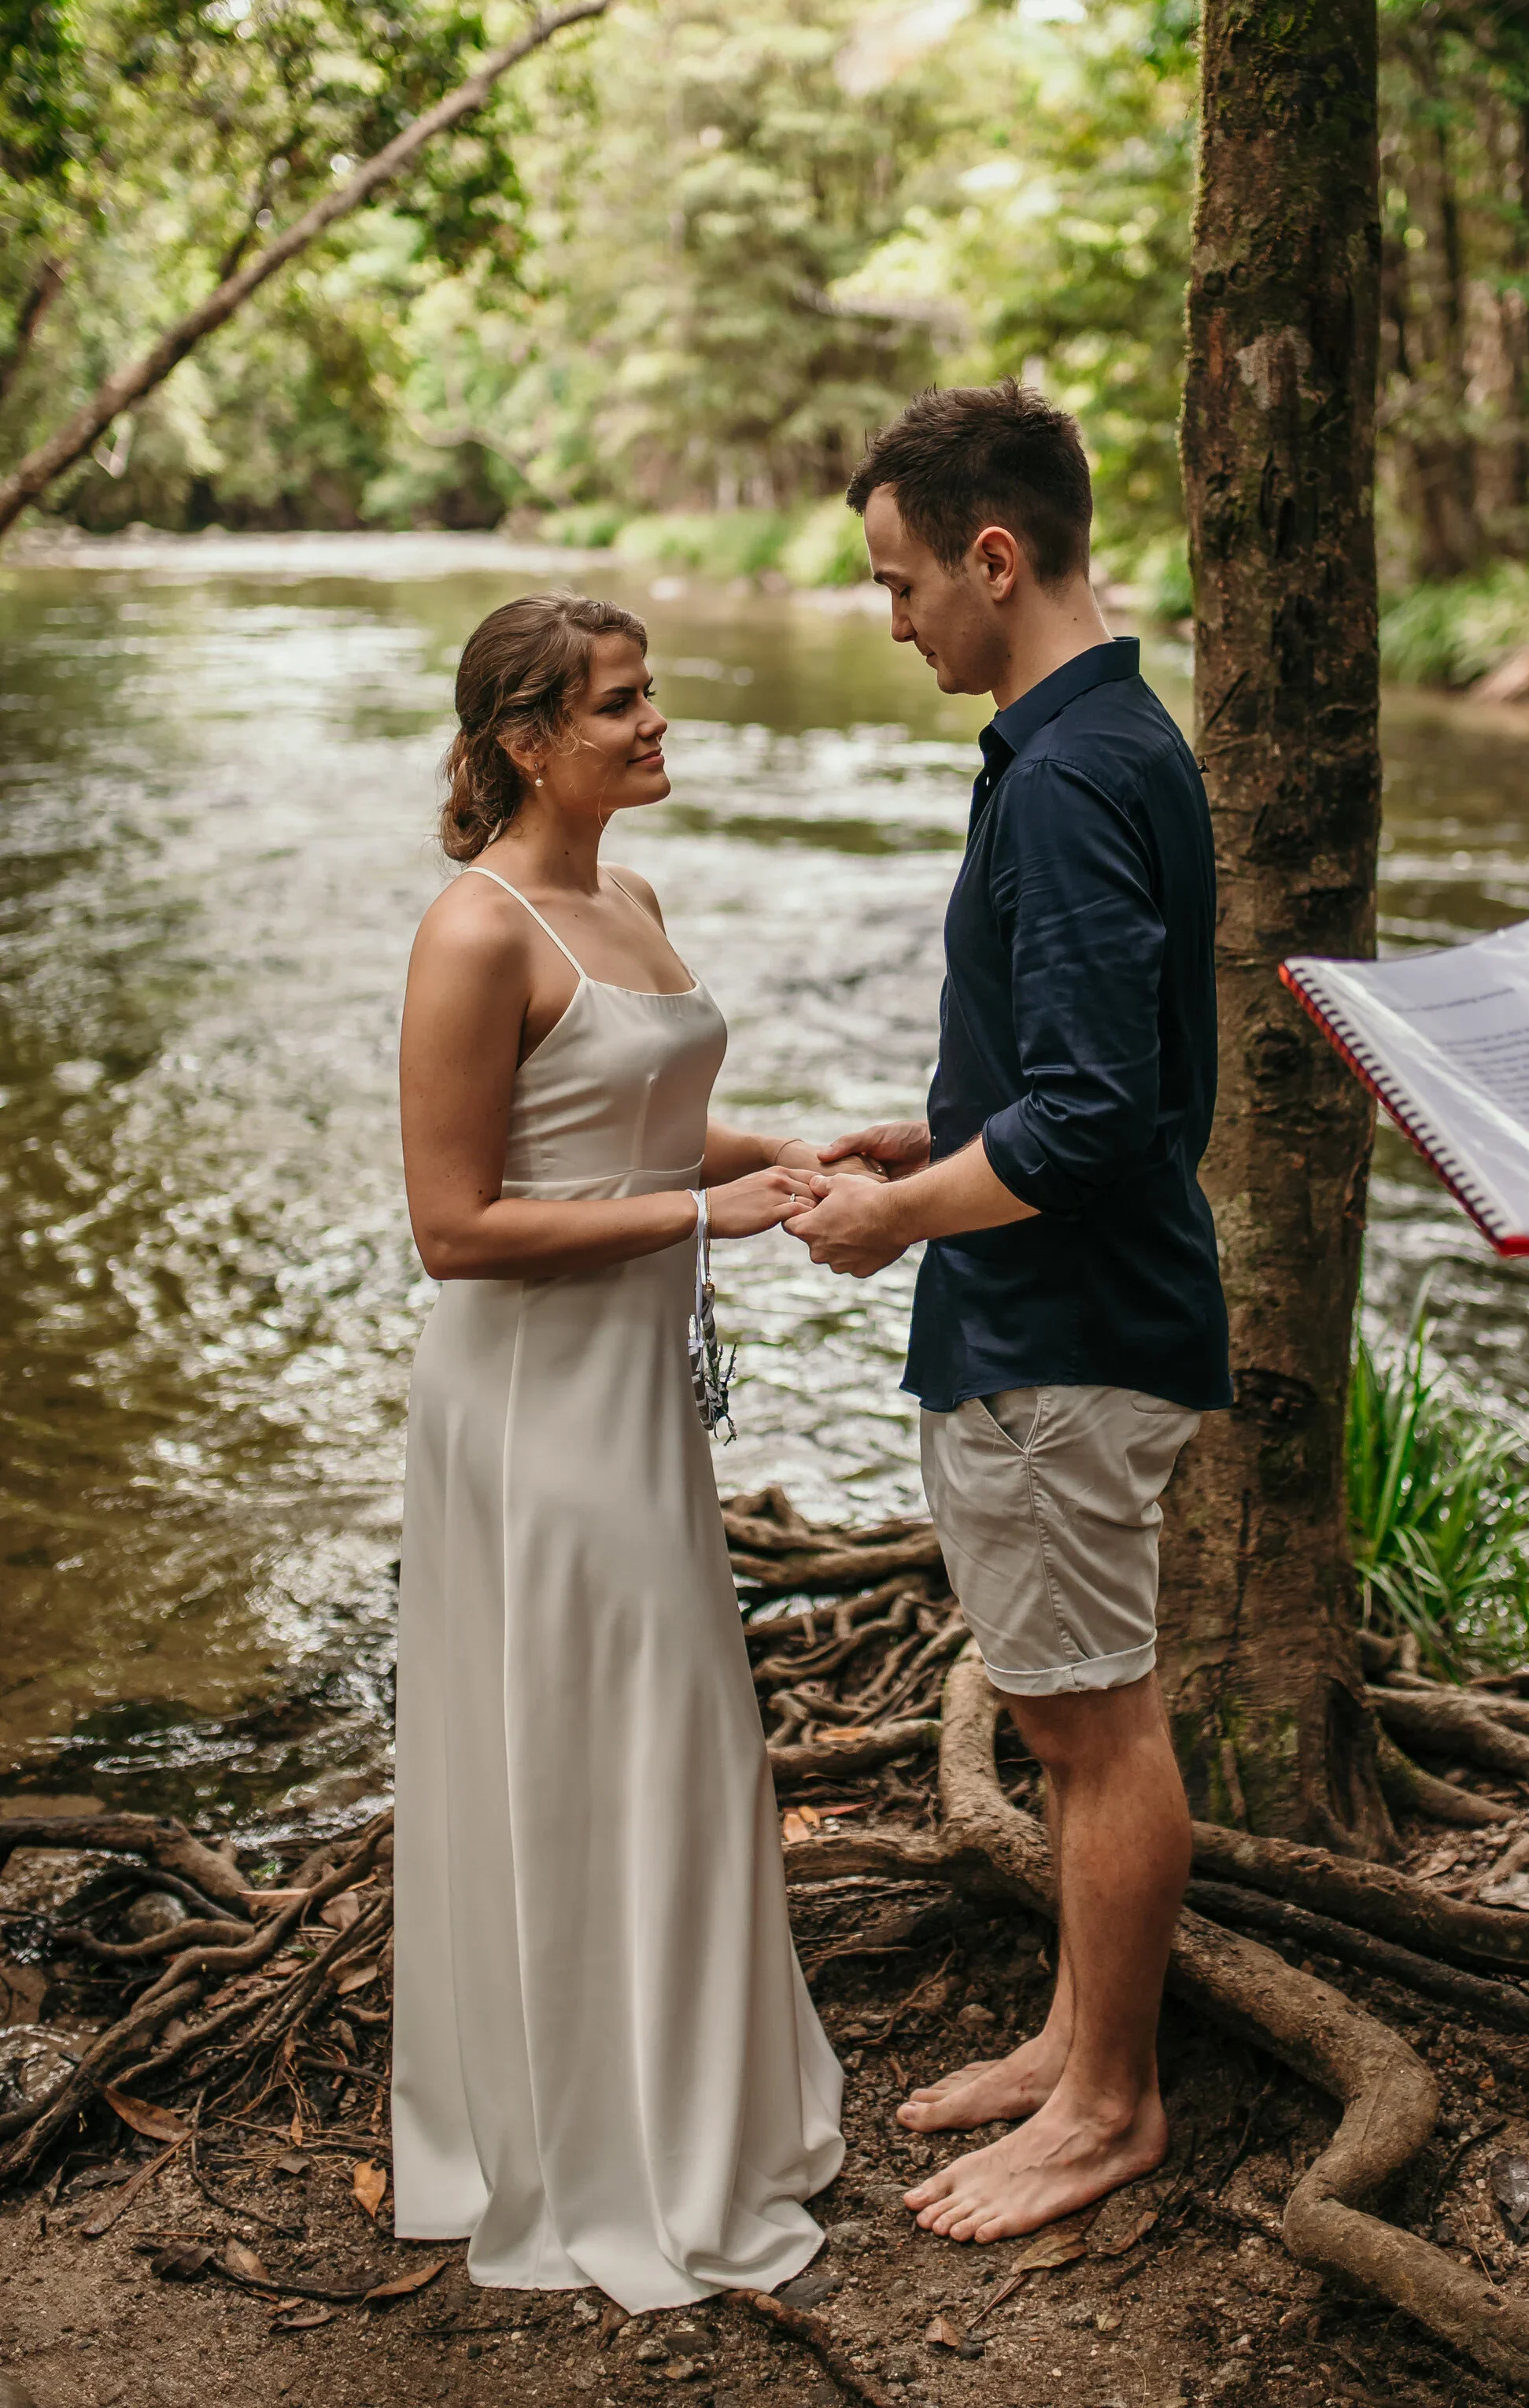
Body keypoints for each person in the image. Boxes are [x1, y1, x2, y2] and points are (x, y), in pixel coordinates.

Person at [789, 381, 1232, 2247]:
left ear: (993, 555)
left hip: (1058, 1332)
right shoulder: (1097, 737)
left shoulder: (1062, 774)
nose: (893, 619)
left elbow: (1089, 1120)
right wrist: (933, 1130)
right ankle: (1073, 2037)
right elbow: (1068, 1076)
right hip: (1063, 1310)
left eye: (901, 581)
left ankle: (1108, 2106)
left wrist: (900, 1209)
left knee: (1092, 1730)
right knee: (1067, 1722)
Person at [391, 589, 845, 2310]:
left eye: (650, 697)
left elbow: (628, 1112)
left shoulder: (630, 896)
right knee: (590, 1740)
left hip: (638, 1389)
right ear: (524, 739)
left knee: (680, 1735)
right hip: (525, 1411)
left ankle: (690, 2112)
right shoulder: (475, 931)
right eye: (619, 706)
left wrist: (778, 1152)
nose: (657, 725)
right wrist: (700, 1209)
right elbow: (454, 1222)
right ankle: (581, 2147)